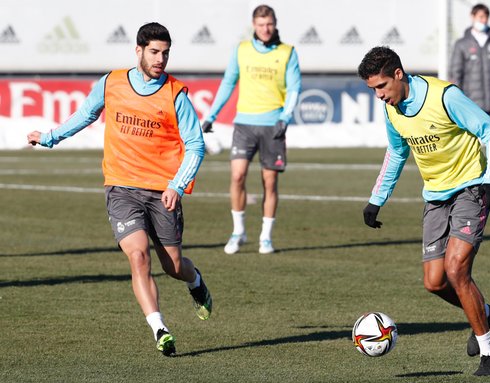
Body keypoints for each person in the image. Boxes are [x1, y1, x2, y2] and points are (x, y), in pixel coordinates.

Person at [27, 22, 212, 357]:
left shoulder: (176, 94)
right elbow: (85, 115)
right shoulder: (111, 82)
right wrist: (50, 137)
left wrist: (177, 185)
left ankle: (195, 281)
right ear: (138, 50)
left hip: (162, 191)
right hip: (121, 186)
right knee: (138, 255)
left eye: (166, 53)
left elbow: (196, 146)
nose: (161, 59)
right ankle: (160, 328)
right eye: (155, 52)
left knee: (172, 266)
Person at [358, 46, 490, 376]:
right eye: (373, 91)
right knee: (435, 282)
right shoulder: (392, 110)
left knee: (456, 270)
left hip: (471, 189)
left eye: (381, 87)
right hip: (436, 198)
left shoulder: (444, 97)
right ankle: (483, 310)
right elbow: (396, 154)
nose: (379, 96)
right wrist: (376, 199)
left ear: (398, 74)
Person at [201, 4, 301, 255]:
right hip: (244, 124)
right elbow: (228, 82)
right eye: (260, 25)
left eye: (269, 24)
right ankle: (238, 231)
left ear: (275, 24)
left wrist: (286, 117)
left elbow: (294, 89)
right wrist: (211, 115)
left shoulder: (287, 52)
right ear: (253, 26)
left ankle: (265, 237)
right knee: (237, 176)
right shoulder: (242, 50)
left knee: (269, 182)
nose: (265, 29)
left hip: (273, 126)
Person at [449, 3, 490, 121]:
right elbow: (456, 74)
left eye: (486, 17)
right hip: (470, 104)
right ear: (472, 17)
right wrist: (456, 100)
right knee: (473, 139)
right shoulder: (461, 44)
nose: (484, 20)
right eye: (480, 17)